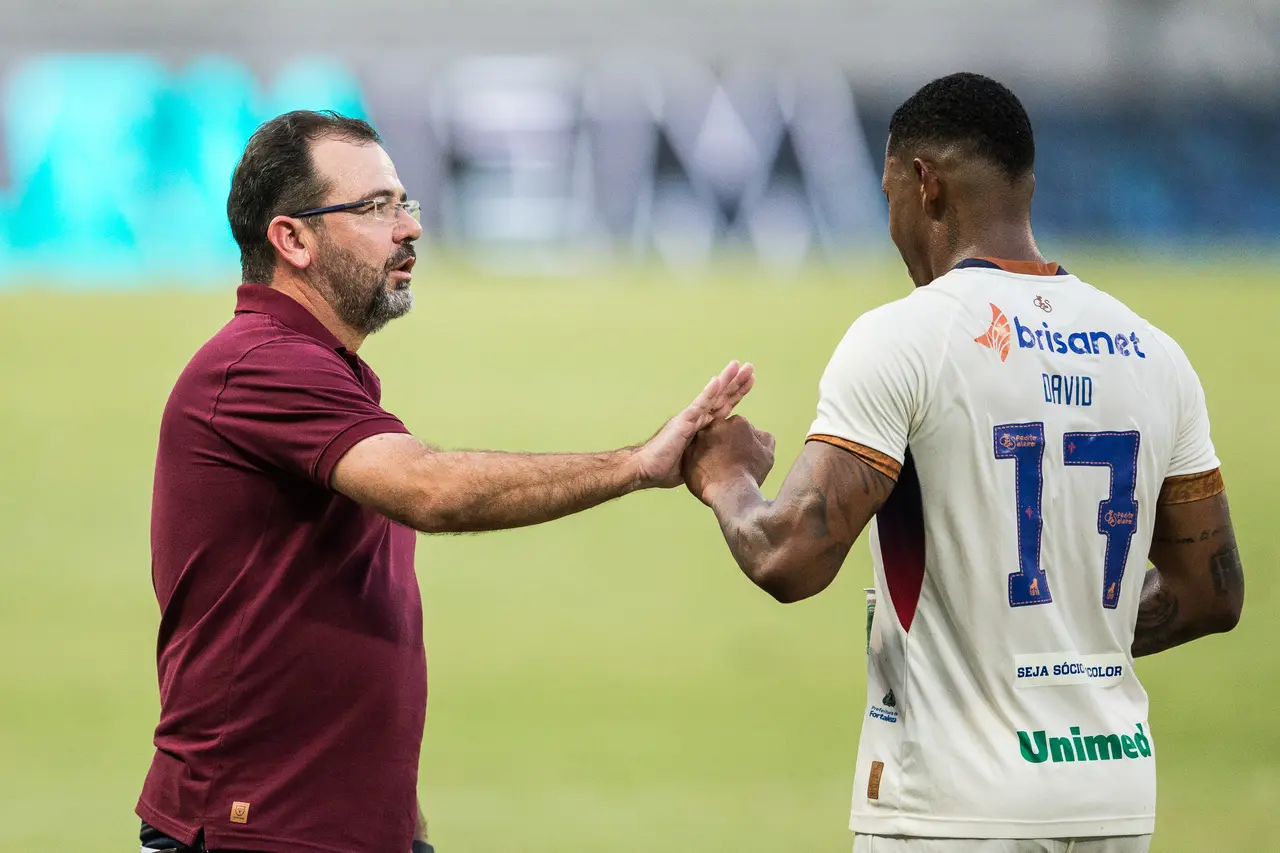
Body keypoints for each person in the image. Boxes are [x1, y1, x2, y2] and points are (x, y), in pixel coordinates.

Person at [136, 109, 754, 853]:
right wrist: (639, 462)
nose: (409, 228)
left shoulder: (324, 374)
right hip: (249, 830)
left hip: (335, 831)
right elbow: (432, 490)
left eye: (405, 203)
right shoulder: (261, 364)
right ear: (291, 238)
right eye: (373, 207)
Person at [682, 73, 1243, 853]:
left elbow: (790, 555)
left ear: (924, 184)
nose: (890, 223)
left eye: (887, 199)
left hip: (952, 810)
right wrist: (1066, 639)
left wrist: (724, 477)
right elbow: (1211, 593)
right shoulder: (1154, 353)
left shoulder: (906, 337)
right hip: (1114, 800)